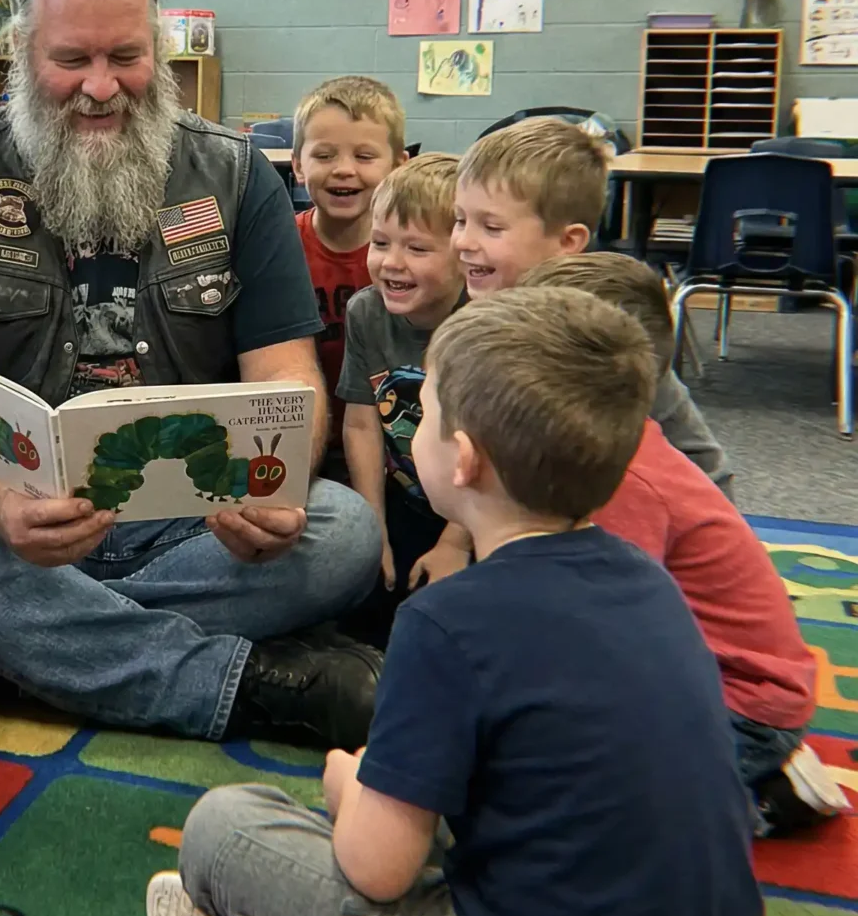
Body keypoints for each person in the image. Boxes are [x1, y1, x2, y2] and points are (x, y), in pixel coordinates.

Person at [147, 289, 765, 916]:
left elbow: (376, 870)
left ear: (463, 459)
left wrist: (347, 784)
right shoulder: (654, 587)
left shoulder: (446, 622)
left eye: (426, 416)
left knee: (222, 829)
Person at [0, 0, 384, 749]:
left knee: (344, 535)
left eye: (126, 57)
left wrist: (278, 487)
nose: (102, 88)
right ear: (24, 52)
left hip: (189, 524)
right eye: (72, 60)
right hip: (4, 525)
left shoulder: (238, 180)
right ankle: (248, 689)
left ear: (159, 50)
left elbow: (291, 378)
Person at [521, 253, 849, 836]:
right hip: (697, 676)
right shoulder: (607, 455)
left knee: (560, 794)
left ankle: (754, 798)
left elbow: (612, 642)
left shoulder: (624, 481)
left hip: (741, 705)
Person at [455, 116, 734, 496]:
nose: (462, 241)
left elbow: (705, 468)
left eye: (491, 227)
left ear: (568, 242)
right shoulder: (482, 303)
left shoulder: (607, 336)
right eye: (459, 220)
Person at [339, 154, 465, 635]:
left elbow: (500, 449)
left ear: (463, 253)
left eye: (417, 248)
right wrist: (373, 524)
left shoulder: (482, 321)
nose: (392, 263)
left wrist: (457, 541)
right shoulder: (366, 313)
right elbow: (361, 420)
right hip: (406, 497)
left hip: (480, 503)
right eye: (380, 243)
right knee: (367, 598)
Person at [290, 75, 404, 478]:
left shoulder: (412, 259)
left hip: (394, 453)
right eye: (324, 156)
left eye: (365, 156)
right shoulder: (279, 248)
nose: (343, 170)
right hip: (304, 449)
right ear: (297, 166)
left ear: (398, 166)